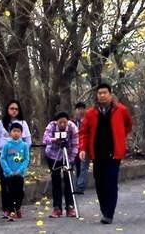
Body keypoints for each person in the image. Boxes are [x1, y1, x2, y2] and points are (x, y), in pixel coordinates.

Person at [79, 82, 136, 225]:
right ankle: (104, 209)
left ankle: (109, 213)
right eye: (100, 93)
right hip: (97, 153)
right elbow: (84, 132)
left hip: (114, 153)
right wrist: (83, 149)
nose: (102, 95)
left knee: (111, 182)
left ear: (110, 95)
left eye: (105, 93)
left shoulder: (121, 110)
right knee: (99, 182)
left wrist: (120, 136)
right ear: (97, 96)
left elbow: (128, 124)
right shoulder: (91, 113)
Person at [0, 100, 32, 218]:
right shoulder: (1, 123)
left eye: (16, 109)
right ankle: (6, 209)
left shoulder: (23, 123)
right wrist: (6, 148)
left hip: (18, 156)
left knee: (18, 183)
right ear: (7, 109)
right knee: (5, 183)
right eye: (11, 108)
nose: (14, 111)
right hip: (3, 155)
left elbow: (28, 141)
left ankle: (16, 207)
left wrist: (20, 149)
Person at [43, 111, 81, 218]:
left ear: (68, 121)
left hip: (67, 155)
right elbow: (45, 139)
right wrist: (54, 140)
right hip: (53, 155)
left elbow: (75, 145)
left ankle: (70, 206)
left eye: (65, 122)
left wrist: (70, 160)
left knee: (68, 179)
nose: (63, 125)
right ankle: (57, 207)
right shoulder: (51, 126)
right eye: (60, 123)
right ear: (56, 122)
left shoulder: (72, 127)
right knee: (56, 179)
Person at [0, 121, 31, 221]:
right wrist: (8, 171)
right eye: (14, 131)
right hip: (9, 175)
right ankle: (11, 210)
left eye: (18, 131)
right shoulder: (7, 145)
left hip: (19, 175)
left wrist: (20, 170)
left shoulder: (24, 145)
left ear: (21, 133)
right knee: (10, 193)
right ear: (10, 133)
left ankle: (18, 208)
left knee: (19, 193)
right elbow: (2, 158)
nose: (16, 133)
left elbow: (26, 159)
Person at [73, 102, 89, 194]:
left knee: (83, 167)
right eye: (78, 109)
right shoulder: (73, 122)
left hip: (84, 148)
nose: (80, 111)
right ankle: (77, 185)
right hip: (76, 148)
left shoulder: (87, 120)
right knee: (77, 167)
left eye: (82, 108)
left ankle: (80, 186)